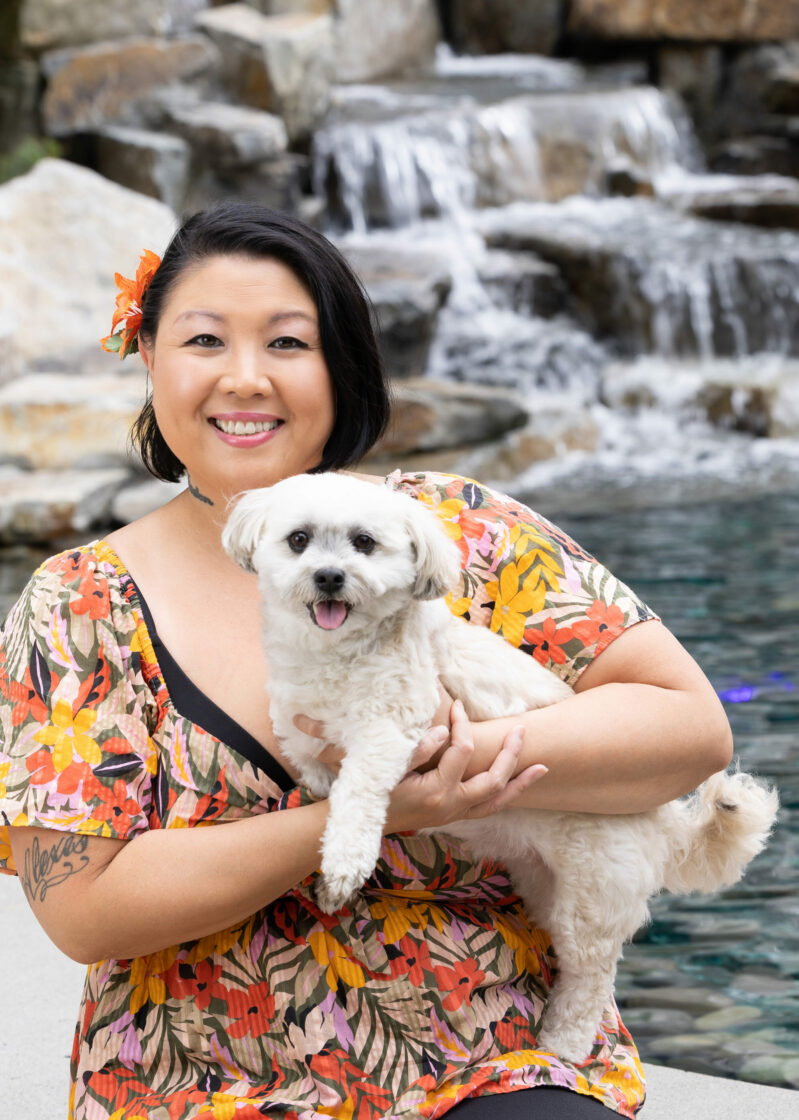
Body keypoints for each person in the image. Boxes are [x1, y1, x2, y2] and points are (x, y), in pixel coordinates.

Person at [0, 202, 732, 1120]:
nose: (244, 378)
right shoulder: (79, 604)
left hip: (493, 1051)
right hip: (206, 1074)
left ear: (339, 364)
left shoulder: (461, 531)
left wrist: (474, 751)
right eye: (203, 340)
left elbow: (688, 729)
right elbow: (83, 911)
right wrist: (377, 810)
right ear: (149, 356)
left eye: (288, 344)